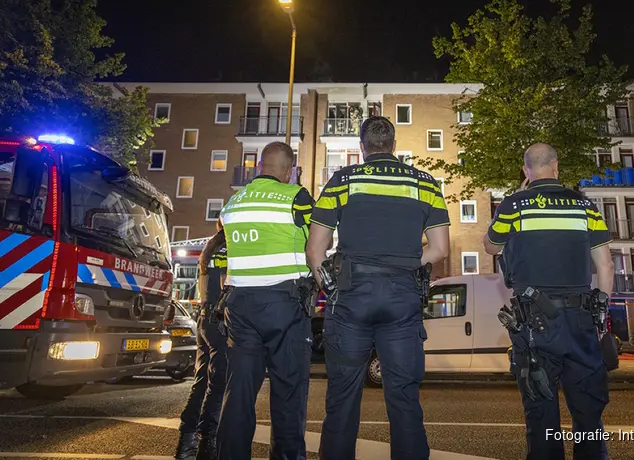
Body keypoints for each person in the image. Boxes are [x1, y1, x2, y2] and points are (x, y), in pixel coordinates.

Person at [306, 116, 451, 460]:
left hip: (351, 296)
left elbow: (315, 250)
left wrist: (330, 286)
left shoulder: (342, 180)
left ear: (362, 147)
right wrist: (402, 266)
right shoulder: (425, 183)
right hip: (402, 298)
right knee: (404, 398)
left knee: (342, 400)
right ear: (394, 145)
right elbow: (440, 249)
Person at [483, 143, 615, 460]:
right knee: (588, 416)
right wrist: (600, 317)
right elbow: (606, 266)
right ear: (556, 166)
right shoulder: (585, 207)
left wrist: (515, 195)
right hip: (581, 322)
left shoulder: (514, 205)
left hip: (534, 325)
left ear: (527, 170)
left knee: (541, 418)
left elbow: (490, 246)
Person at [216, 141, 314, 460]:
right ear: (289, 170)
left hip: (240, 305)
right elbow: (319, 240)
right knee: (288, 395)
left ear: (260, 167)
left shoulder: (232, 203)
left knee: (239, 393)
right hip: (283, 304)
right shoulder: (296, 196)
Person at [174, 221, 228, 460]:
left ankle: (186, 442)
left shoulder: (210, 248)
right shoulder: (230, 249)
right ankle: (208, 442)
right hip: (219, 321)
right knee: (218, 384)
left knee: (202, 381)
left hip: (205, 321)